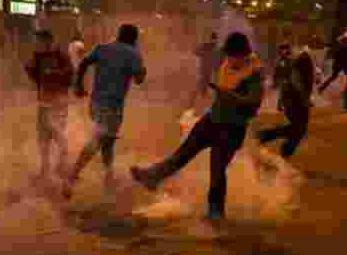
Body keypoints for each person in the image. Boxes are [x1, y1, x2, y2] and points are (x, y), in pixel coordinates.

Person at [131, 32, 264, 222]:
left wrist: (231, 97)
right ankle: (152, 177)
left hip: (232, 129)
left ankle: (216, 212)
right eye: (228, 56)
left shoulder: (254, 73)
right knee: (183, 153)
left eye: (233, 56)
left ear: (244, 54)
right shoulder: (228, 63)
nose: (229, 60)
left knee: (217, 169)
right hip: (212, 119)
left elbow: (254, 102)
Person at [63, 24, 147, 199]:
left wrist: (78, 84)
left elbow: (84, 62)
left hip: (95, 104)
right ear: (134, 39)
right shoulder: (133, 54)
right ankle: (72, 175)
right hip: (113, 107)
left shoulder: (102, 48)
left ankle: (108, 177)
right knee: (98, 140)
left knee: (107, 141)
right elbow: (139, 79)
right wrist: (142, 70)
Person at [26, 30, 74, 184]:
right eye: (37, 42)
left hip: (59, 102)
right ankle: (45, 168)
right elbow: (35, 76)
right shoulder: (38, 56)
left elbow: (70, 73)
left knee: (58, 134)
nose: (38, 44)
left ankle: (62, 165)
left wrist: (53, 73)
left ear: (48, 41)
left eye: (40, 41)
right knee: (43, 137)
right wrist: (30, 67)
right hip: (44, 102)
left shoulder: (60, 54)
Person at [257, 43, 313, 162]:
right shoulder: (298, 60)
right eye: (283, 50)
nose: (285, 52)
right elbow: (292, 80)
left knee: (298, 129)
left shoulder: (294, 60)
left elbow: (284, 82)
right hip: (295, 101)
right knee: (299, 129)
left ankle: (275, 143)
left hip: (292, 100)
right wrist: (305, 99)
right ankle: (269, 139)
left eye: (286, 49)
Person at [190, 32, 221, 110]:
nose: (213, 41)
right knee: (203, 81)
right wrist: (201, 52)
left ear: (216, 40)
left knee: (207, 81)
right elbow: (196, 52)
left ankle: (203, 96)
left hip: (210, 68)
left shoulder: (217, 48)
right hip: (204, 67)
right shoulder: (205, 46)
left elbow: (218, 58)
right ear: (211, 39)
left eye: (215, 39)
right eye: (213, 39)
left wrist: (217, 67)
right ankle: (198, 97)